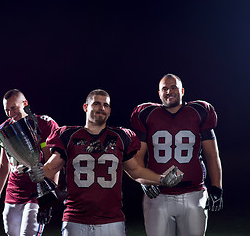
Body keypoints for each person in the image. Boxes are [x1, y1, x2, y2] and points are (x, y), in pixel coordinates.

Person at [28, 89, 183, 236]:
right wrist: (38, 170)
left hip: (112, 220)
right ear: (85, 107)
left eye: (106, 105)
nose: (101, 108)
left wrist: (161, 179)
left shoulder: (121, 137)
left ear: (109, 110)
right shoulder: (68, 135)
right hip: (75, 219)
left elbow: (136, 171)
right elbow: (50, 168)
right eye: (96, 103)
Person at [130, 74, 223, 236]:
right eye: (164, 88)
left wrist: (217, 187)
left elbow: (212, 155)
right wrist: (144, 181)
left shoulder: (199, 111)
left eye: (173, 87)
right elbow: (138, 156)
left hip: (194, 193)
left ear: (182, 90)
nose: (169, 91)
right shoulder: (146, 114)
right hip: (158, 195)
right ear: (159, 93)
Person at [0, 89, 59, 236]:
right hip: (13, 191)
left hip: (37, 192)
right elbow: (3, 166)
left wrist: (48, 199)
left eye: (14, 108)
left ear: (25, 104)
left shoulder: (43, 124)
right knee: (11, 233)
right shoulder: (4, 129)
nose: (10, 113)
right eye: (6, 110)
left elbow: (53, 164)